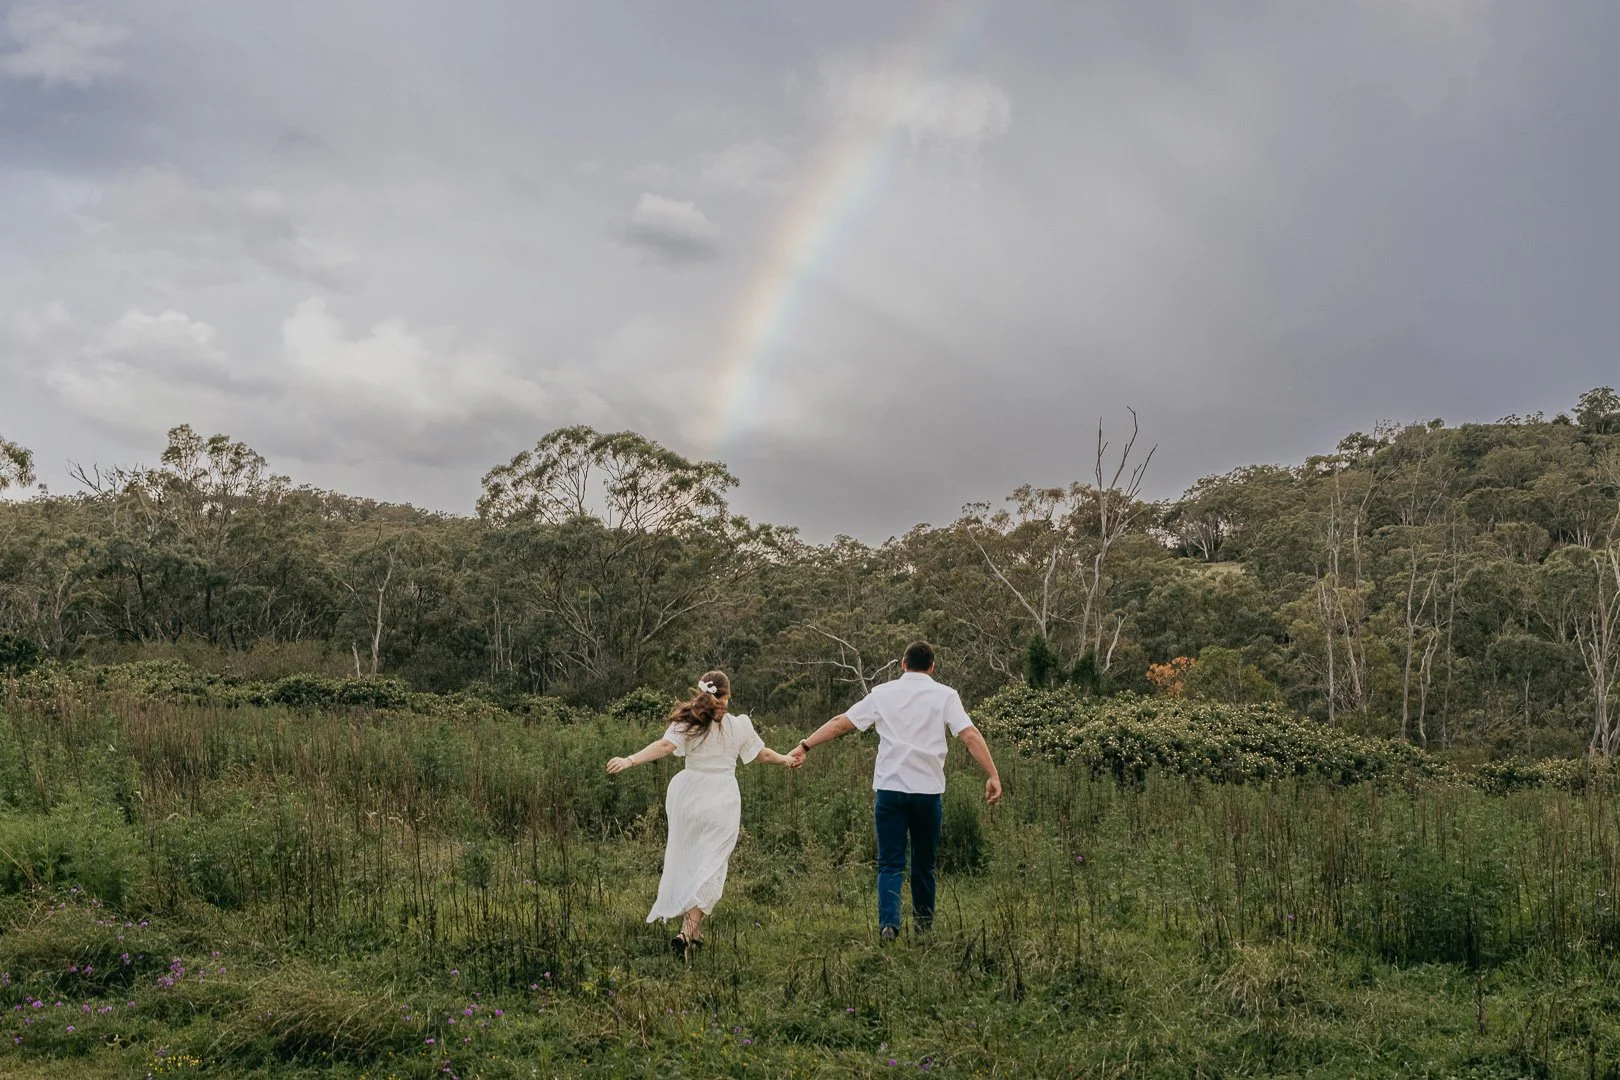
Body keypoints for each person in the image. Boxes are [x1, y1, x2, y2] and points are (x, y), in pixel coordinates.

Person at [788, 640, 1002, 940]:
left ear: (903, 664)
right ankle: (924, 928)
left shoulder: (883, 694)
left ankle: (889, 924)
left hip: (890, 790)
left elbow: (841, 724)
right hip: (927, 793)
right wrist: (992, 774)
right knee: (924, 863)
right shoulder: (945, 696)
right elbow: (969, 734)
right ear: (932, 667)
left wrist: (805, 745)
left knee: (890, 861)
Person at [605, 670, 796, 955]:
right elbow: (762, 754)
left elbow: (665, 746)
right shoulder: (739, 725)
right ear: (728, 696)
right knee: (713, 866)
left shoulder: (688, 721)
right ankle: (686, 933)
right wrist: (786, 759)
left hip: (688, 796)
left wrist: (630, 759)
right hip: (720, 800)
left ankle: (692, 930)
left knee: (693, 860)